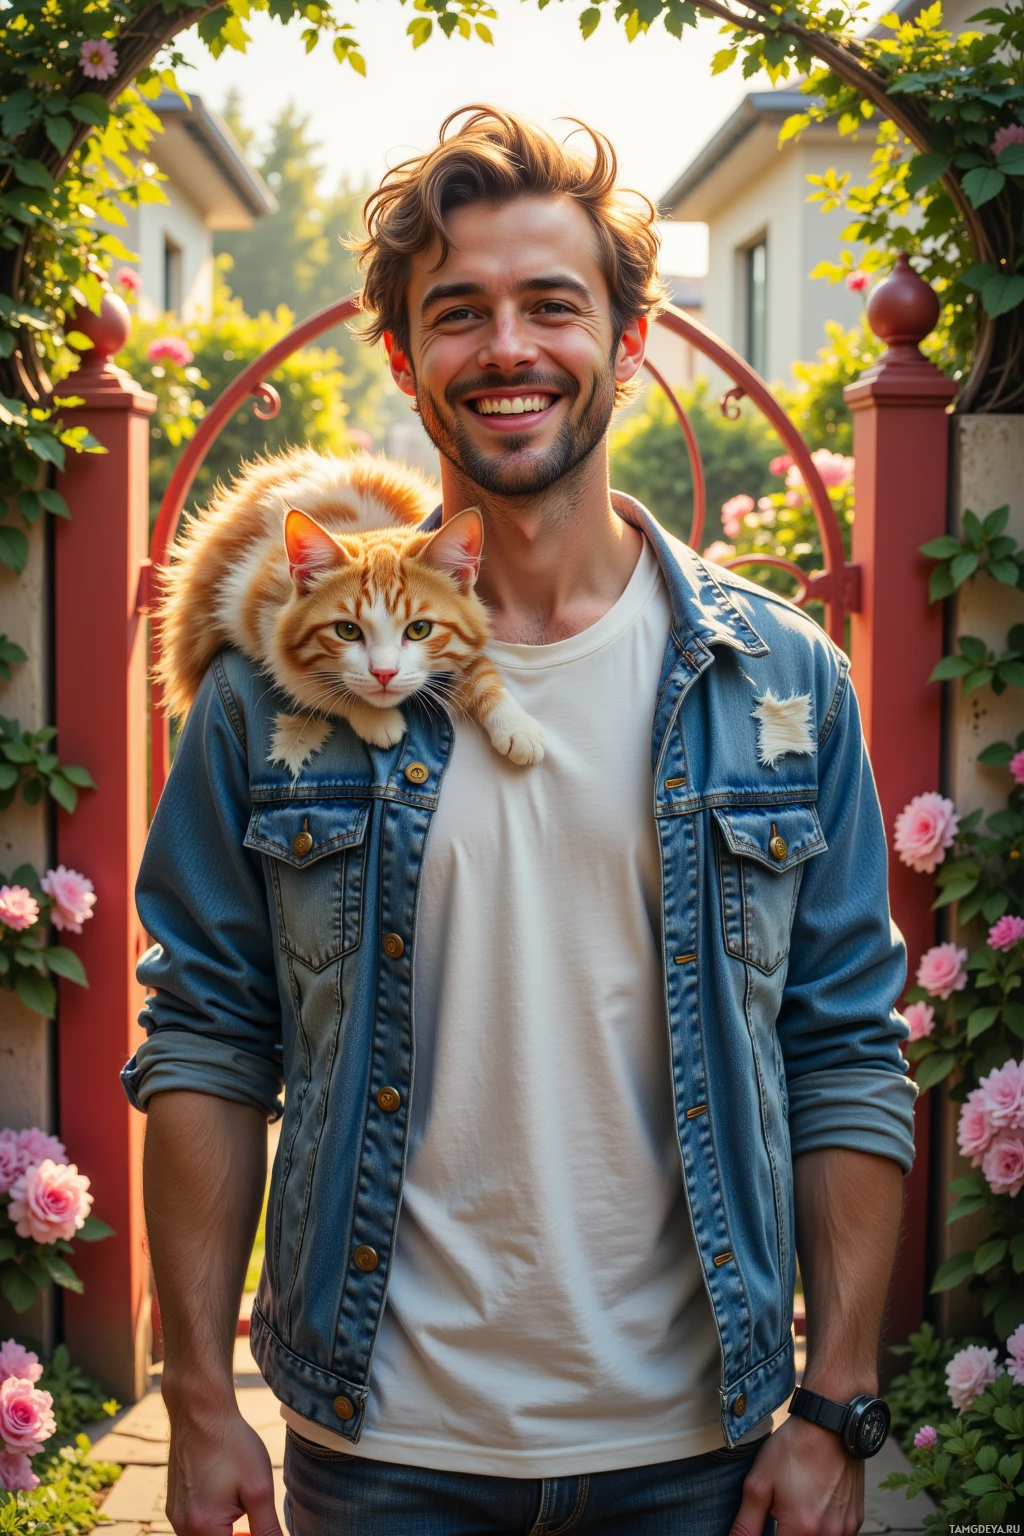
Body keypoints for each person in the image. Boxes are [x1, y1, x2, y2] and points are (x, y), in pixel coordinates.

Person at [123, 105, 916, 1536]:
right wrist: (194, 1398)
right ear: (405, 361)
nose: (507, 348)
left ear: (628, 336)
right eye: (458, 312)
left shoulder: (783, 682)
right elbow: (206, 1036)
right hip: (381, 1450)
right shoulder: (272, 701)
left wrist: (837, 1404)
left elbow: (845, 1041)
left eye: (553, 303)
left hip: (702, 1450)